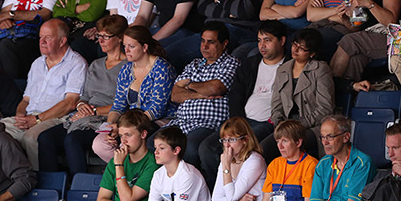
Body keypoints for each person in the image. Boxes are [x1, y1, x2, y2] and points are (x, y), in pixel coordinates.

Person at [198, 21, 289, 183]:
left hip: (269, 122)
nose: (262, 45)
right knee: (207, 148)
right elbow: (236, 97)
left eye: (267, 40)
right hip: (243, 120)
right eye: (259, 40)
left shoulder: (291, 66)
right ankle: (220, 190)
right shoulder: (250, 63)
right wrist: (237, 123)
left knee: (246, 150)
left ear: (282, 41)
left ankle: (243, 193)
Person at [54, 110, 159, 201]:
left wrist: (119, 165)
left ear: (143, 134)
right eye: (121, 136)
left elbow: (127, 199)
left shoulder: (152, 164)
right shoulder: (116, 161)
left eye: (128, 135)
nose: (124, 141)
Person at [37, 15, 127, 174]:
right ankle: (53, 189)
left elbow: (125, 103)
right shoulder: (96, 64)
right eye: (99, 36)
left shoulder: (128, 66)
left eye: (106, 36)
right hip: (85, 115)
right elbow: (84, 96)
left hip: (108, 118)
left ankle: (78, 188)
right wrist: (81, 106)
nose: (101, 40)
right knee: (45, 138)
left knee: (73, 139)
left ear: (120, 38)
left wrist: (93, 111)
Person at [1, 18, 87, 169]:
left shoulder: (76, 63)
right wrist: (21, 115)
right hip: (30, 116)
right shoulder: (37, 63)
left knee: (31, 137)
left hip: (57, 119)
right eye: (40, 37)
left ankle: (39, 184)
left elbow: (70, 103)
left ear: (62, 41)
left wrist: (37, 120)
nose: (42, 41)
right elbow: (25, 100)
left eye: (48, 37)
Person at [91, 25, 176, 163]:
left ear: (144, 47)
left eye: (132, 46)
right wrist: (110, 126)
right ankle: (125, 173)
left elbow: (157, 109)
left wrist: (124, 127)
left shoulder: (161, 68)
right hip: (131, 121)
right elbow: (118, 105)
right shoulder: (126, 69)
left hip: (157, 121)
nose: (127, 50)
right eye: (125, 46)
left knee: (130, 142)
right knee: (100, 143)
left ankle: (130, 175)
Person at [168, 21, 239, 185]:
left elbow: (216, 88)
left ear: (224, 43)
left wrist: (188, 84)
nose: (205, 46)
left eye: (211, 42)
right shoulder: (194, 64)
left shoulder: (231, 63)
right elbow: (175, 95)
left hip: (209, 123)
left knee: (191, 147)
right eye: (202, 41)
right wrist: (200, 94)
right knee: (153, 143)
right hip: (182, 122)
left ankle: (197, 191)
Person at [260, 28, 333, 162]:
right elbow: (276, 103)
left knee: (288, 146)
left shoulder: (320, 69)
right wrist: (279, 122)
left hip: (311, 126)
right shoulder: (283, 69)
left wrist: (298, 125)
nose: (295, 49)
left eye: (302, 48)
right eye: (295, 44)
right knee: (263, 149)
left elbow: (325, 108)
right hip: (286, 126)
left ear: (312, 53)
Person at [0, 0, 58, 80]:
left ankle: (11, 89)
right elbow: (2, 14)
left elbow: (45, 14)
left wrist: (12, 15)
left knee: (5, 47)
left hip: (33, 36)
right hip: (10, 32)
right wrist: (4, 21)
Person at [328, 0, 400, 84]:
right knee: (354, 60)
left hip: (391, 37)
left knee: (349, 41)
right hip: (368, 36)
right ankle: (348, 91)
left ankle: (331, 86)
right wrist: (346, 19)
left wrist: (369, 4)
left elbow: (391, 23)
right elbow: (356, 28)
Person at [131, 0, 199, 70]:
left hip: (187, 31)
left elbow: (178, 19)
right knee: (125, 45)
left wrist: (150, 42)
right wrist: (131, 36)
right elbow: (143, 16)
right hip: (163, 27)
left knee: (159, 54)